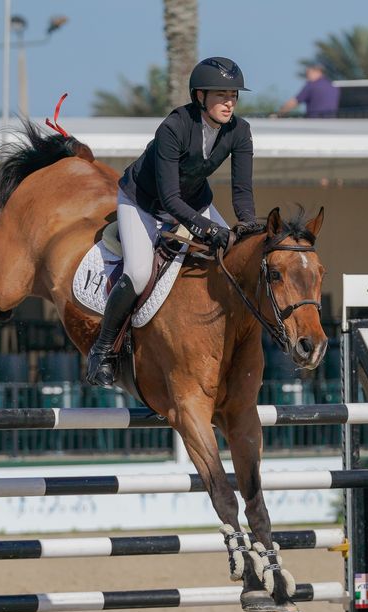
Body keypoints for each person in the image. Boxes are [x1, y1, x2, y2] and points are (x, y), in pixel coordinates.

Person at [87, 57, 257, 386]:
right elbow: (169, 199)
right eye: (221, 95)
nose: (229, 102)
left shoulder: (240, 131)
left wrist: (247, 226)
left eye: (233, 95)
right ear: (200, 96)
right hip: (143, 202)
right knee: (137, 273)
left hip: (194, 201)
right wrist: (207, 229)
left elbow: (242, 192)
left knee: (233, 259)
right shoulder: (173, 128)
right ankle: (103, 349)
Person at [274, 63, 340, 118]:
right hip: (331, 123)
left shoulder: (311, 86)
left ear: (317, 72)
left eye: (308, 73)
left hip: (315, 123)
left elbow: (293, 102)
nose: (307, 76)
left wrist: (278, 114)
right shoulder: (332, 86)